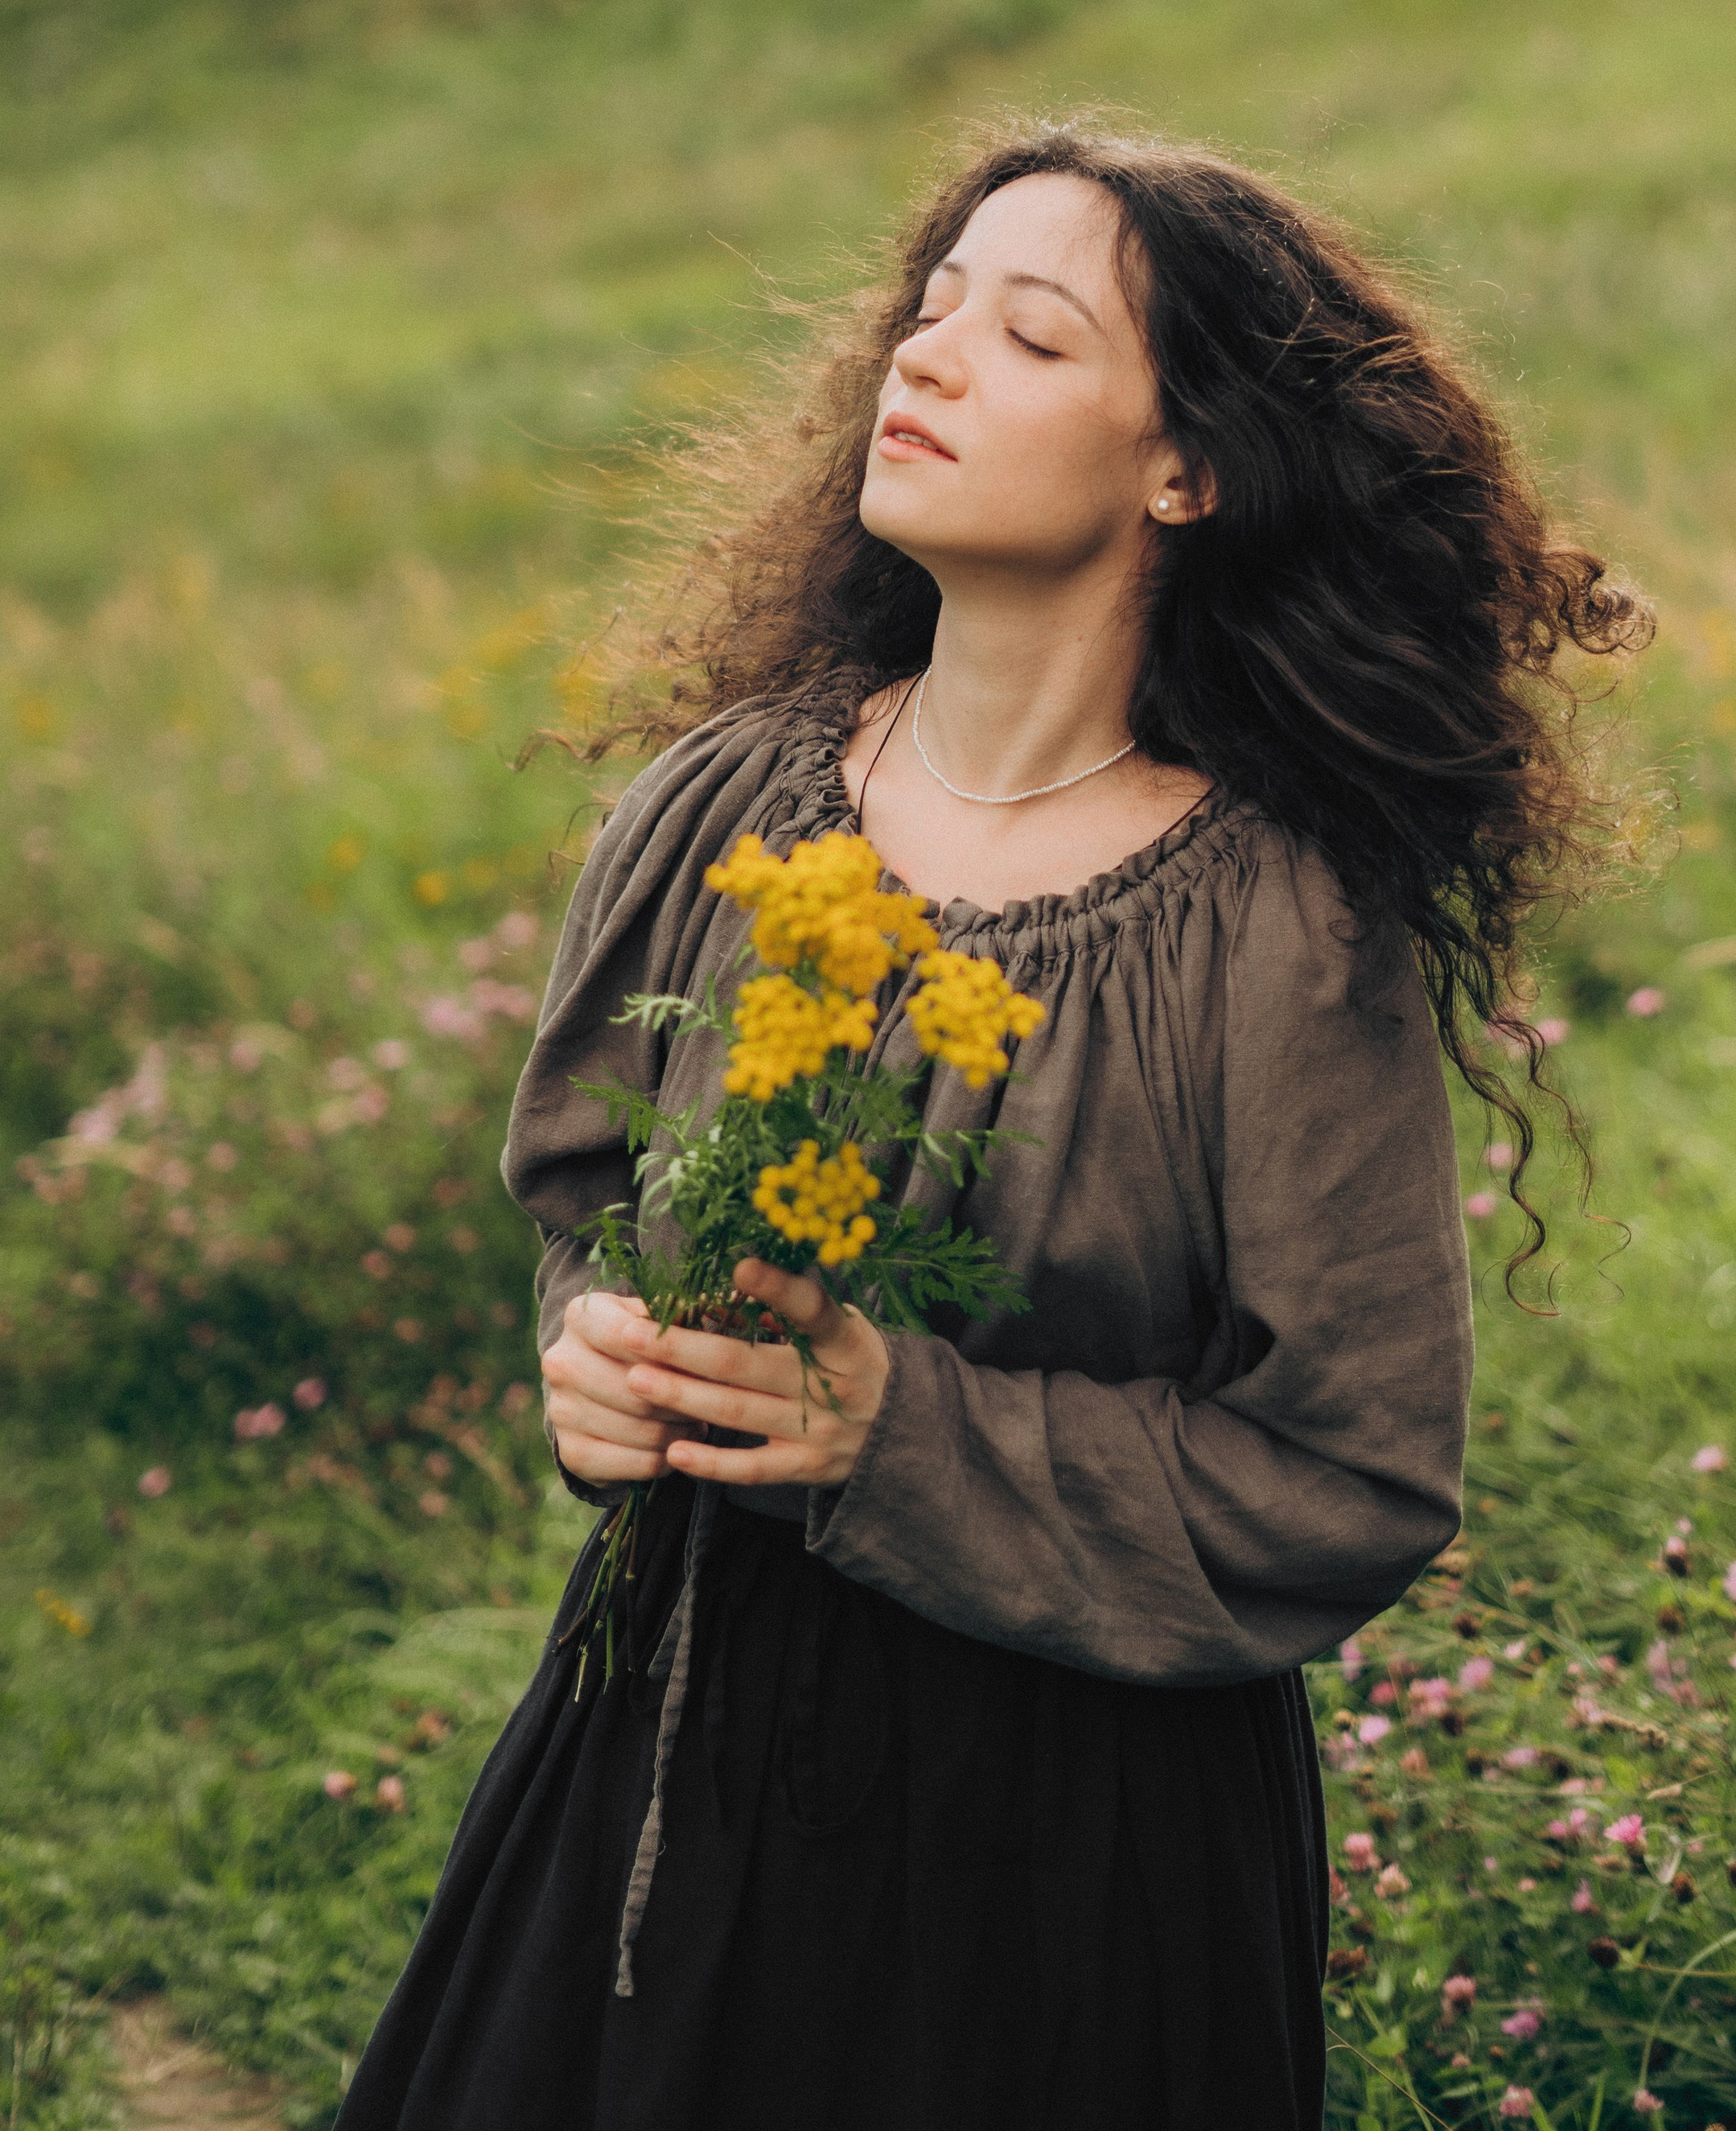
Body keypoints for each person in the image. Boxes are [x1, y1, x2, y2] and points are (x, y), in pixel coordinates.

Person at [336, 125, 1645, 2131]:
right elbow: (589, 1200)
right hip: (661, 1751)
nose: (923, 360)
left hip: (1070, 1854)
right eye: (926, 308)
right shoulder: (722, 805)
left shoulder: (1279, 923)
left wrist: (896, 1429)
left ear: (1182, 467)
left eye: (1024, 334)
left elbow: (1359, 1473)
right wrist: (598, 1355)